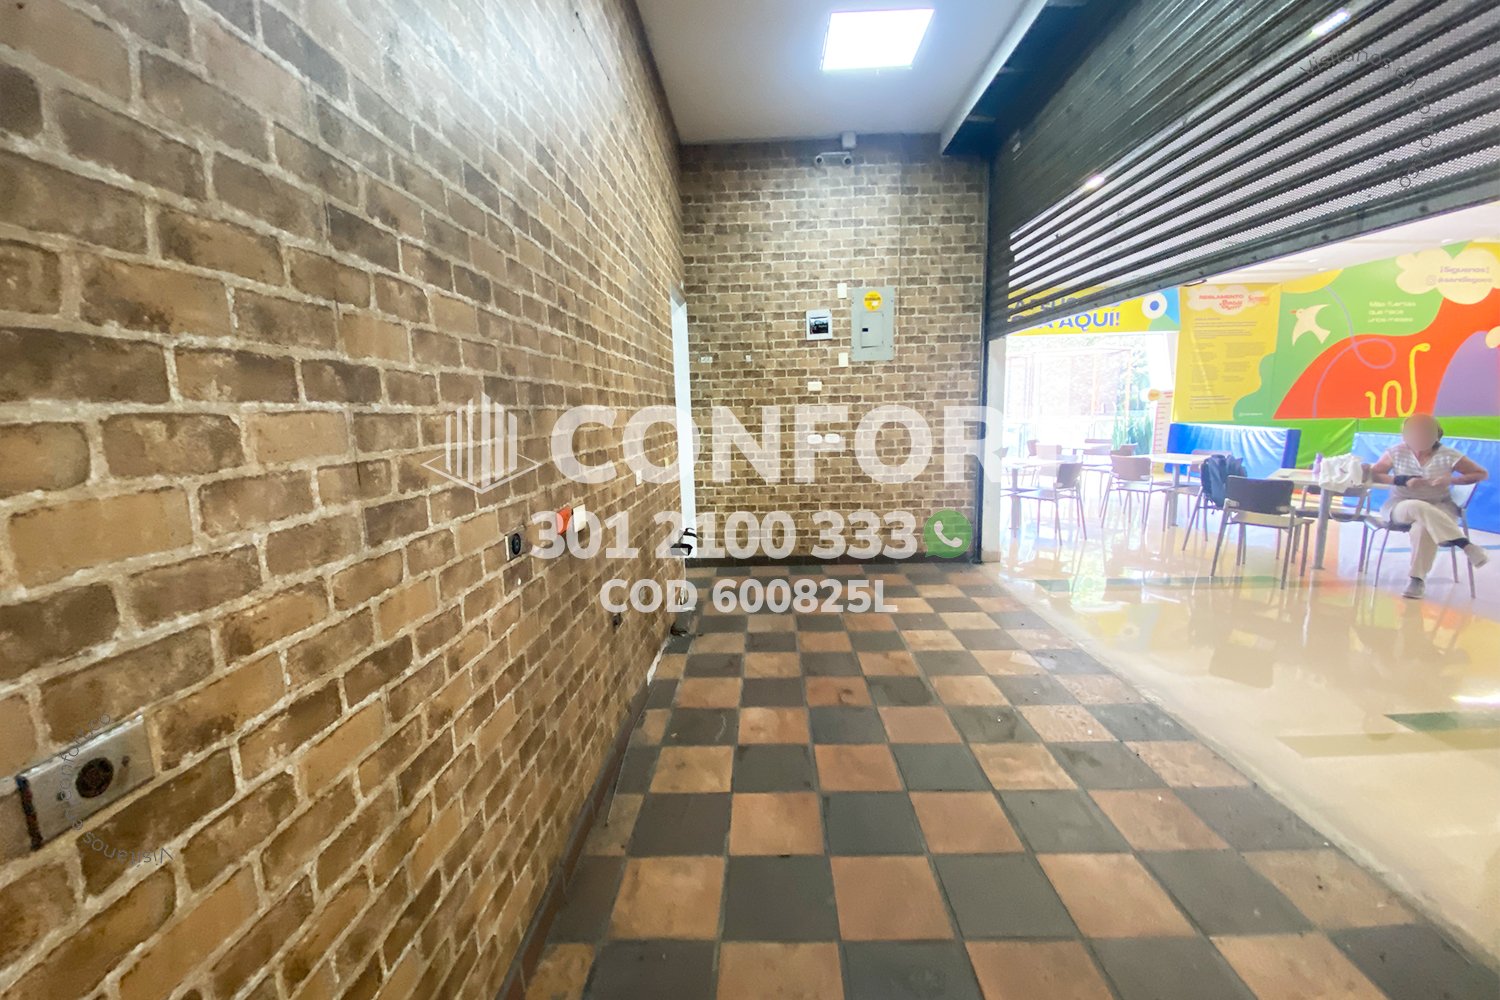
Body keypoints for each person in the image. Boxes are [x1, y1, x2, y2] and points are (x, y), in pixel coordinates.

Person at [1368, 414, 1489, 599]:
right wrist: (1402, 480)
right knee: (1416, 506)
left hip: (1440, 505)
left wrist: (1451, 480)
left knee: (1423, 527)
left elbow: (1481, 473)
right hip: (1400, 504)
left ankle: (1417, 580)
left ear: (1436, 435)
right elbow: (1375, 474)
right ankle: (1464, 544)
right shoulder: (1396, 452)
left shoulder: (1448, 455)